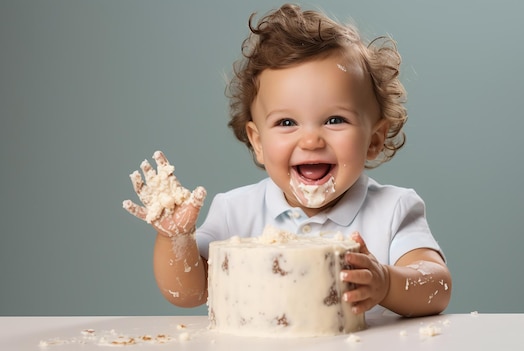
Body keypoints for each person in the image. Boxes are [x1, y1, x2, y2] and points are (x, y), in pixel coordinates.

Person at [123, 3, 451, 318]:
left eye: (335, 120)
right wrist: (176, 239)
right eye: (286, 123)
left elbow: (437, 285)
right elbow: (189, 293)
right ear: (258, 142)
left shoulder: (393, 210)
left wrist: (386, 282)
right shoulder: (235, 213)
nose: (310, 140)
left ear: (374, 140)